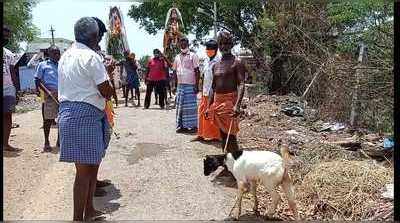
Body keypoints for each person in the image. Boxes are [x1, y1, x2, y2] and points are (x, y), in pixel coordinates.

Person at [58, 17, 114, 221]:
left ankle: (89, 211)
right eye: (99, 35)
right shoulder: (91, 57)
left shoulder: (67, 55)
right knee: (84, 173)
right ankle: (77, 219)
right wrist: (108, 74)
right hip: (86, 115)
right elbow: (106, 91)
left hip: (70, 113)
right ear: (94, 35)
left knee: (89, 168)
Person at [205, 31, 246, 154]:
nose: (224, 46)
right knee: (223, 135)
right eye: (221, 43)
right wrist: (208, 107)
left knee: (231, 136)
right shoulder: (215, 65)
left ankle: (236, 164)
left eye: (227, 43)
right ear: (219, 45)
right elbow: (213, 87)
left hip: (230, 103)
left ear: (232, 44)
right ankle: (228, 163)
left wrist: (237, 105)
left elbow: (241, 84)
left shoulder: (237, 62)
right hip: (217, 103)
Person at [193, 39, 221, 142]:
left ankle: (215, 136)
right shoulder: (205, 60)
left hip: (213, 92)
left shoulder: (218, 61)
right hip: (205, 91)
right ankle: (201, 134)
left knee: (212, 114)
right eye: (207, 49)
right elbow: (203, 76)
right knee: (201, 112)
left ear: (216, 50)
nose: (208, 51)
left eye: (210, 49)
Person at [34, 45, 61, 151]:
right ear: (49, 54)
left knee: (62, 119)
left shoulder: (61, 65)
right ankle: (46, 142)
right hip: (49, 95)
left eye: (58, 53)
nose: (57, 55)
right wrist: (47, 92)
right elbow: (38, 80)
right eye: (55, 53)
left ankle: (59, 141)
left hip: (61, 95)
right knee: (48, 120)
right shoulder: (42, 65)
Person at [173, 37, 200, 133]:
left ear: (188, 44)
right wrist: (174, 85)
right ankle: (181, 126)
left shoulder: (193, 56)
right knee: (180, 107)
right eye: (181, 44)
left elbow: (197, 71)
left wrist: (197, 85)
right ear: (179, 45)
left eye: (184, 43)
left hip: (190, 85)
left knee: (191, 107)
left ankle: (193, 126)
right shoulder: (177, 57)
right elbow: (174, 72)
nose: (183, 45)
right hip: (180, 86)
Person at [3, 25, 19, 152]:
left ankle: (5, 144)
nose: (6, 38)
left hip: (8, 88)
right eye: (4, 35)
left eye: (7, 36)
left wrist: (16, 89)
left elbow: (13, 72)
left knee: (8, 115)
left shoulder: (9, 54)